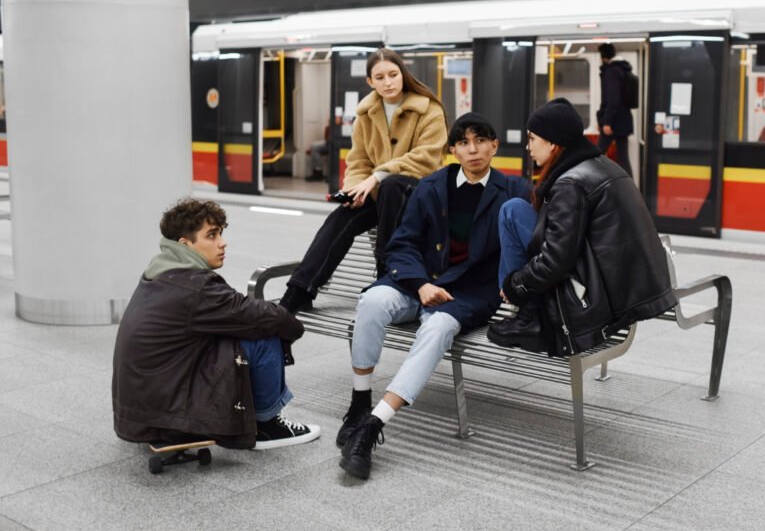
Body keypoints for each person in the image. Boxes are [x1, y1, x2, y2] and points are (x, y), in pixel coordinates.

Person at [337, 113, 532, 479]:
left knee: (439, 329)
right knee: (372, 303)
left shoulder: (516, 192)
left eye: (480, 141)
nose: (472, 149)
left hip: (470, 292)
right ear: (453, 150)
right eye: (463, 142)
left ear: (494, 145)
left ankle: (373, 426)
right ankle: (360, 402)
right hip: (417, 282)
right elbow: (402, 244)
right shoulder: (431, 186)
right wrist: (420, 284)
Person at [112, 198, 321, 450]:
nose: (222, 242)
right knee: (264, 333)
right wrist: (293, 328)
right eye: (211, 235)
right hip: (167, 418)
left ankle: (260, 418)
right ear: (185, 244)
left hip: (141, 412)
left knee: (243, 328)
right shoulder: (196, 286)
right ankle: (267, 426)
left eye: (221, 233)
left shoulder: (160, 272)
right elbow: (259, 315)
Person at [488, 97, 676, 357]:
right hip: (620, 280)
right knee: (516, 209)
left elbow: (556, 261)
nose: (527, 147)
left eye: (532, 138)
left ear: (552, 141)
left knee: (510, 212)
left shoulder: (569, 183)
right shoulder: (602, 165)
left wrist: (515, 284)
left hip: (597, 295)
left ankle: (528, 315)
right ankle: (526, 311)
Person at [280, 48, 449, 313]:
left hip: (422, 193)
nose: (388, 82)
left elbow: (427, 158)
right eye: (380, 77)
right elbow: (358, 160)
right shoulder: (366, 115)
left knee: (393, 184)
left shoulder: (429, 110)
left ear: (403, 74)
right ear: (370, 82)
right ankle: (300, 289)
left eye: (393, 74)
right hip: (383, 195)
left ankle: (387, 275)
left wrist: (376, 177)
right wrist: (354, 190)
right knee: (341, 216)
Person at [596, 42, 634, 177]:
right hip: (623, 119)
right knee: (623, 157)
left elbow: (612, 99)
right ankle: (630, 188)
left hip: (614, 121)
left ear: (603, 56)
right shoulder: (622, 69)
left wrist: (606, 122)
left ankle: (589, 184)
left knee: (595, 155)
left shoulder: (612, 71)